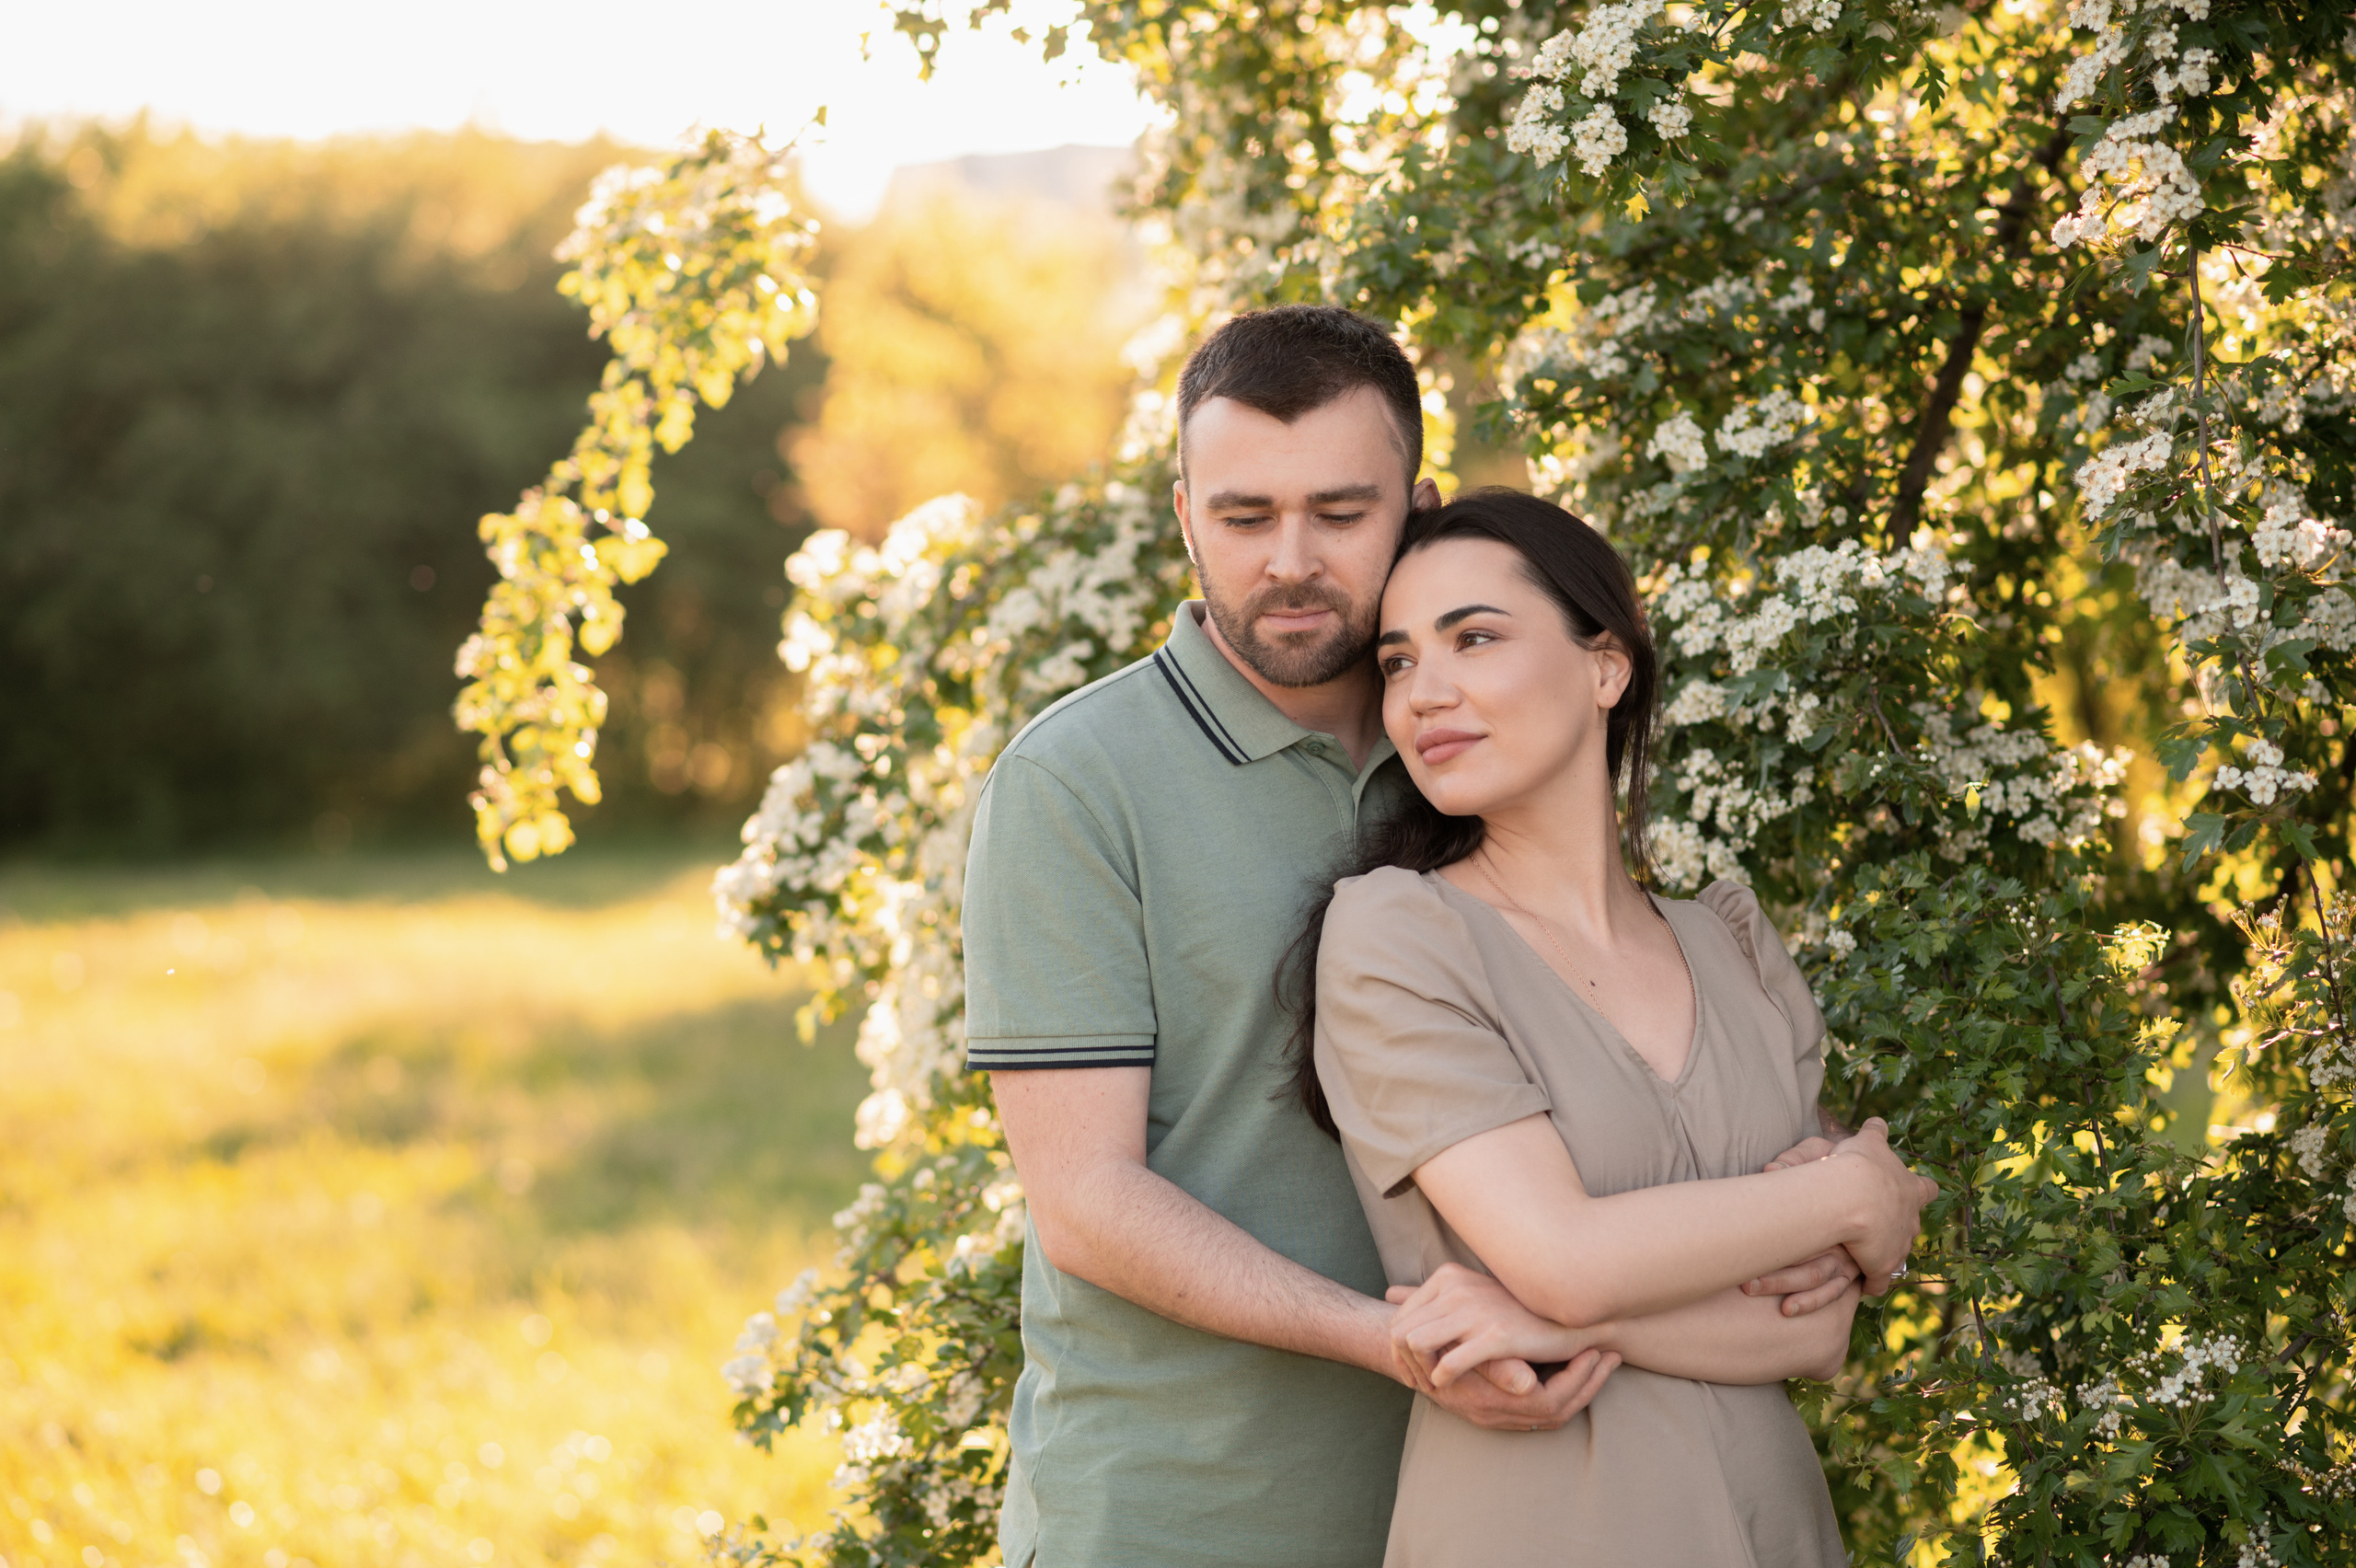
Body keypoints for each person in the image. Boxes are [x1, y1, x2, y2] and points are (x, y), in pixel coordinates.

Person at [962, 306, 1871, 1568]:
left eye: (1341, 514)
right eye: (1242, 517)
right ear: (1183, 515)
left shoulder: (1472, 756)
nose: (1290, 560)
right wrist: (1401, 1339)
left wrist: (1812, 1220)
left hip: (1506, 1482)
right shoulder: (1075, 782)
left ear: (1417, 503)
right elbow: (1089, 1203)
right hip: (1181, 1506)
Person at [1298, 488, 1939, 1566]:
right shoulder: (1399, 937)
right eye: (1399, 660)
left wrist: (1549, 1323)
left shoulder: (1731, 947)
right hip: (1536, 1528)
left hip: (1766, 1524)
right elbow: (1564, 1257)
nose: (1425, 693)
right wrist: (1845, 1189)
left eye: (1475, 638)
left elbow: (1818, 1329)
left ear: (1606, 666)